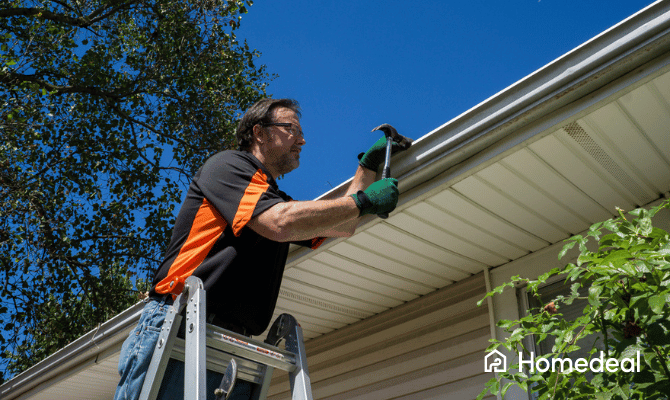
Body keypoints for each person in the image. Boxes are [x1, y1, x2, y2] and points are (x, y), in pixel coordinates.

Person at [113, 98, 406, 400]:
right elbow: (281, 223)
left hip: (228, 344)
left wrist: (366, 169)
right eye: (291, 129)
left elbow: (340, 224)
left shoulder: (271, 198)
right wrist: (364, 201)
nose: (302, 140)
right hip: (177, 326)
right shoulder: (228, 166)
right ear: (259, 133)